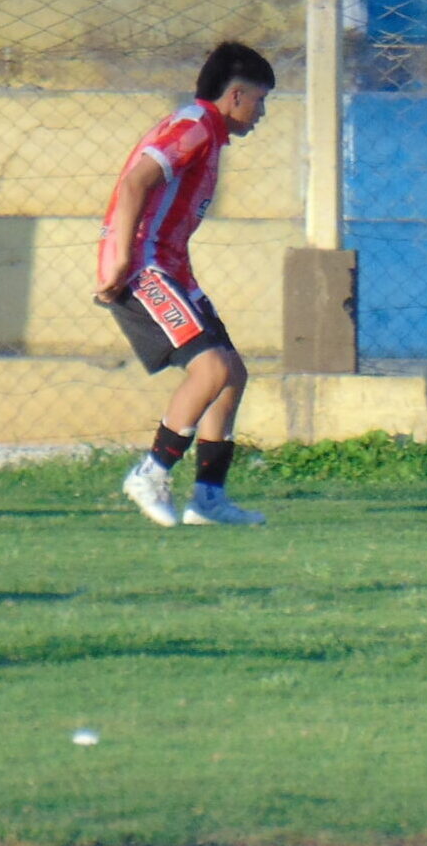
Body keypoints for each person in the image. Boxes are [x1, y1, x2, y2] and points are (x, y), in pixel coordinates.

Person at [97, 42, 275, 529]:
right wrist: (120, 262)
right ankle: (150, 474)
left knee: (231, 374)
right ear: (236, 95)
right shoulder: (195, 126)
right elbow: (136, 183)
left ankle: (208, 499)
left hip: (173, 269)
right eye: (260, 101)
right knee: (211, 369)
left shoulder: (208, 132)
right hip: (144, 266)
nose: (261, 113)